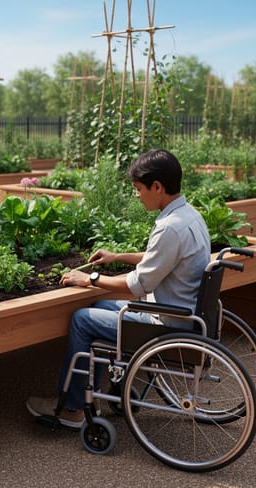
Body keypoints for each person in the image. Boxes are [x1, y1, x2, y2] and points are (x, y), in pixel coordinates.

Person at [26, 148, 212, 429]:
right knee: (98, 308)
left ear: (157, 187)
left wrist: (89, 279)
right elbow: (160, 259)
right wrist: (117, 256)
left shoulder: (170, 228)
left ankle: (73, 408)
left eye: (139, 188)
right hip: (186, 314)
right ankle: (92, 396)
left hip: (166, 325)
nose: (137, 195)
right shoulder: (189, 216)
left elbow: (138, 284)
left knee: (82, 320)